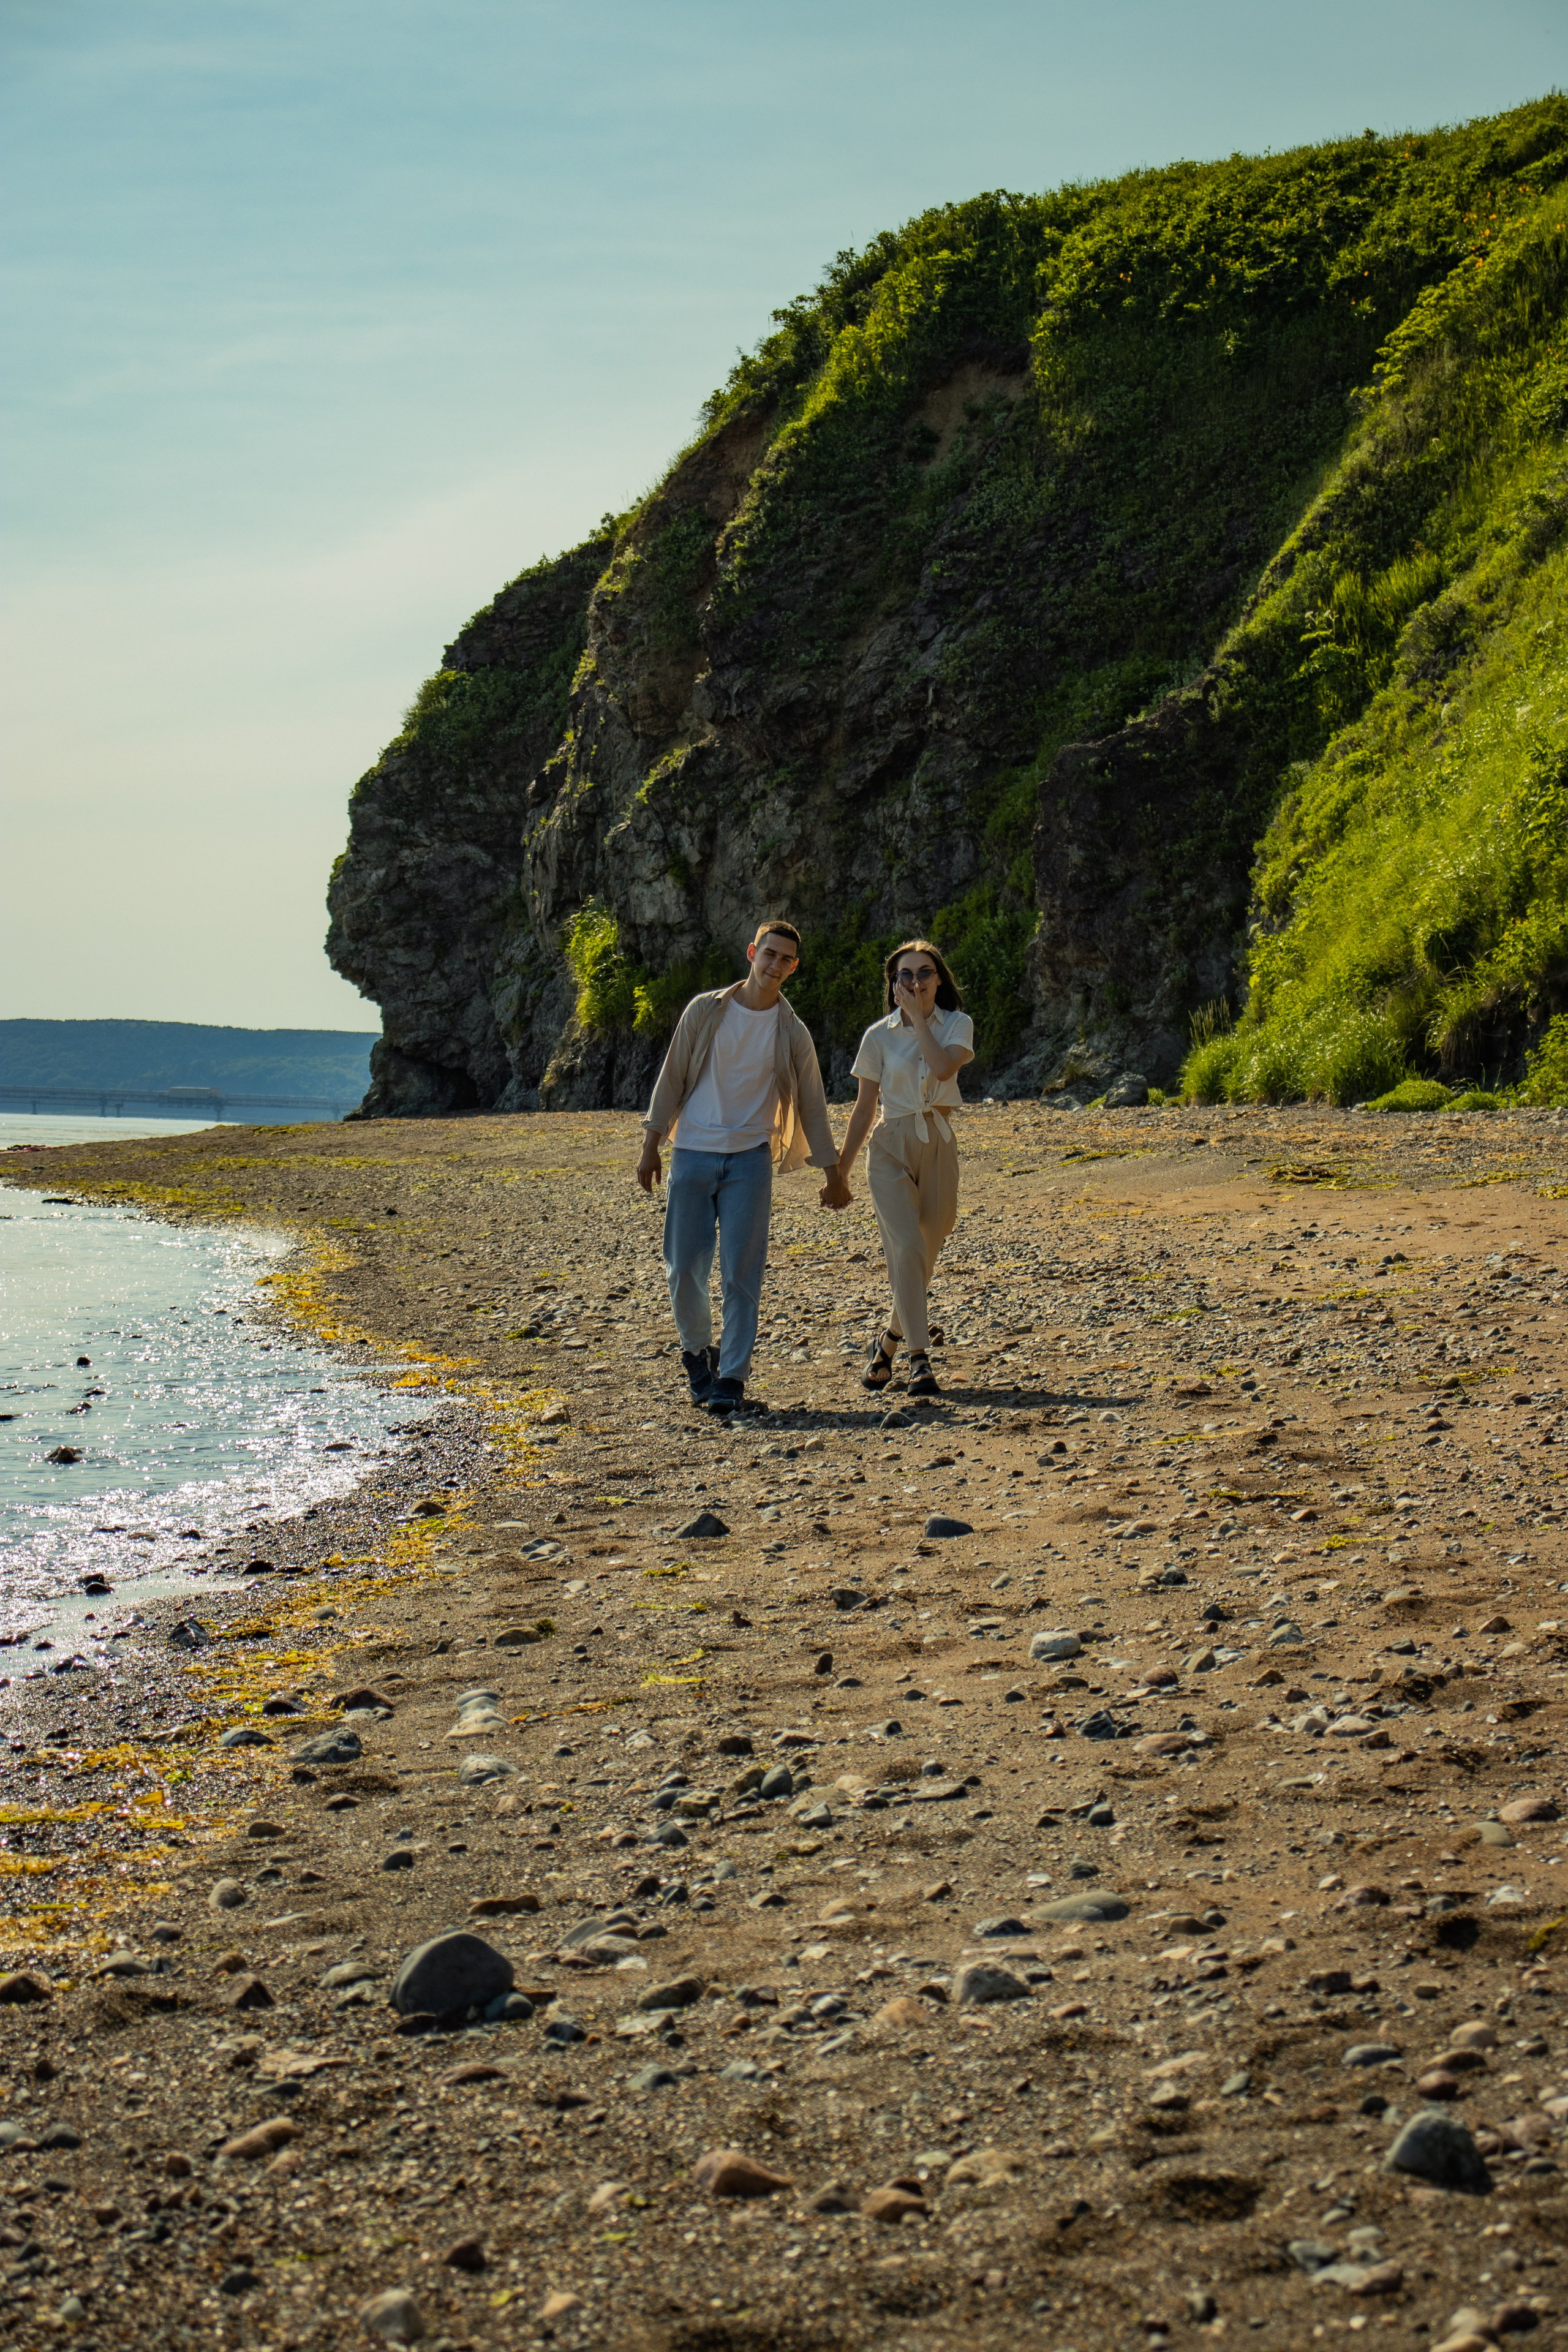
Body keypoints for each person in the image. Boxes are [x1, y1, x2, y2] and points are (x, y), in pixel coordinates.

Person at [637, 920, 851, 1417]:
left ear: (793, 968)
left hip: (751, 1160)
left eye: (786, 960)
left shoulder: (792, 1032)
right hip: (692, 1151)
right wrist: (651, 1146)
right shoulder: (705, 1010)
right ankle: (696, 1354)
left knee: (742, 1273)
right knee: (684, 1268)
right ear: (753, 953)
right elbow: (671, 1078)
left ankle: (731, 1375)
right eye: (769, 954)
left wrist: (833, 1174)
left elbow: (815, 1106)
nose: (775, 965)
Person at [831, 938, 974, 1398]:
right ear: (893, 984)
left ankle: (888, 1341)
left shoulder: (957, 1024)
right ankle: (919, 1361)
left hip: (939, 1144)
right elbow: (864, 1108)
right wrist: (840, 1173)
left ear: (939, 979)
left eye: (924, 973)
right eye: (905, 975)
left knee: (925, 1250)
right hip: (890, 1145)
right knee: (907, 1245)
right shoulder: (877, 1035)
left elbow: (943, 1069)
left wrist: (917, 1019)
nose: (915, 982)